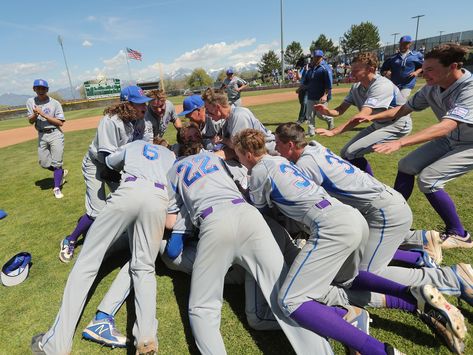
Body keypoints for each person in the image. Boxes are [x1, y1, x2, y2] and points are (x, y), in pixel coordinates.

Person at [232, 128, 467, 355]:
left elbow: (261, 211)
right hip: (353, 217)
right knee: (348, 279)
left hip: (332, 225)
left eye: (239, 154)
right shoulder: (280, 160)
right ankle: (411, 294)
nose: (240, 159)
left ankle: (379, 351)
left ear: (248, 153)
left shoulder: (258, 172)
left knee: (291, 301)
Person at [274, 122, 473, 312]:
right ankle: (425, 249)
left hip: (384, 213)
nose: (275, 148)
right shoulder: (314, 148)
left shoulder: (306, 164)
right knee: (362, 263)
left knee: (364, 275)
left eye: (277, 144)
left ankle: (450, 278)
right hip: (386, 205)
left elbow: (311, 202)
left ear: (290, 145)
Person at [166, 139, 333, 355]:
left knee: (203, 307)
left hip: (214, 221)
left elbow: (171, 222)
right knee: (286, 298)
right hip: (249, 216)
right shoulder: (212, 157)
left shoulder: (172, 170)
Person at [31, 139, 176, 355]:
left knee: (87, 263)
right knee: (144, 268)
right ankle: (146, 337)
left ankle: (55, 345)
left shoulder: (136, 144)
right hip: (158, 198)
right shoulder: (171, 156)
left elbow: (109, 161)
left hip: (129, 190)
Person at [362, 43, 473, 250]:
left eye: (430, 69)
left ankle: (460, 234)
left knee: (429, 179)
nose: (423, 74)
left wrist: (400, 141)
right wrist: (369, 117)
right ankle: (392, 216)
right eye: (423, 68)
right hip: (451, 139)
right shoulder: (431, 87)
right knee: (406, 165)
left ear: (453, 66)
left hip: (469, 144)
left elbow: (447, 125)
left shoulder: (469, 88)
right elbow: (402, 109)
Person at [58, 86, 151, 263]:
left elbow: (143, 149)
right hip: (97, 164)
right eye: (139, 104)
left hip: (117, 166)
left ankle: (121, 233)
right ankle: (70, 239)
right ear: (127, 105)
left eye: (144, 103)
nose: (144, 107)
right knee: (97, 211)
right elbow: (106, 158)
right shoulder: (111, 121)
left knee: (129, 201)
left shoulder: (141, 121)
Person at [316, 52, 412, 175]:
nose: (351, 73)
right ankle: (361, 184)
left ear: (370, 69)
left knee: (352, 152)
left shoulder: (382, 85)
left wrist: (333, 131)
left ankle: (370, 186)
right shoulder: (356, 87)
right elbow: (340, 110)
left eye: (356, 70)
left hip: (397, 125)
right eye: (352, 70)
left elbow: (362, 116)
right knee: (345, 152)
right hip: (378, 124)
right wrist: (328, 112)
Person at [201, 88, 277, 155]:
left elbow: (239, 148)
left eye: (207, 109)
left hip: (271, 153)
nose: (206, 113)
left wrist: (224, 140)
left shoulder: (239, 116)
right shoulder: (228, 118)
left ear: (217, 107)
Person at [26, 79, 68, 199]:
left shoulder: (55, 103)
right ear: (34, 89)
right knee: (44, 163)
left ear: (47, 90)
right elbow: (30, 120)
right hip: (41, 134)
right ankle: (61, 172)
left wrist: (43, 114)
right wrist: (35, 114)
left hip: (55, 134)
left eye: (43, 88)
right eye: (38, 88)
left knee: (57, 162)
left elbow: (60, 123)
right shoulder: (30, 101)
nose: (40, 90)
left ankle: (57, 188)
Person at [300, 49, 334, 136]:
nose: (316, 58)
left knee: (320, 115)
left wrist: (325, 95)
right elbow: (307, 81)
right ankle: (311, 133)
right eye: (315, 57)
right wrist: (301, 87)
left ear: (322, 57)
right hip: (311, 95)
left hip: (321, 97)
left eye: (319, 57)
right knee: (310, 115)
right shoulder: (311, 68)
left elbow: (329, 83)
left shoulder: (325, 68)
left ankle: (330, 120)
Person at [295, 56, 310, 123]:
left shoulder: (309, 68)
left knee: (304, 103)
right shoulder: (302, 69)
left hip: (307, 89)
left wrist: (307, 68)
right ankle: (306, 118)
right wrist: (297, 70)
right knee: (303, 104)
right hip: (302, 89)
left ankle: (300, 119)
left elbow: (307, 79)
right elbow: (299, 78)